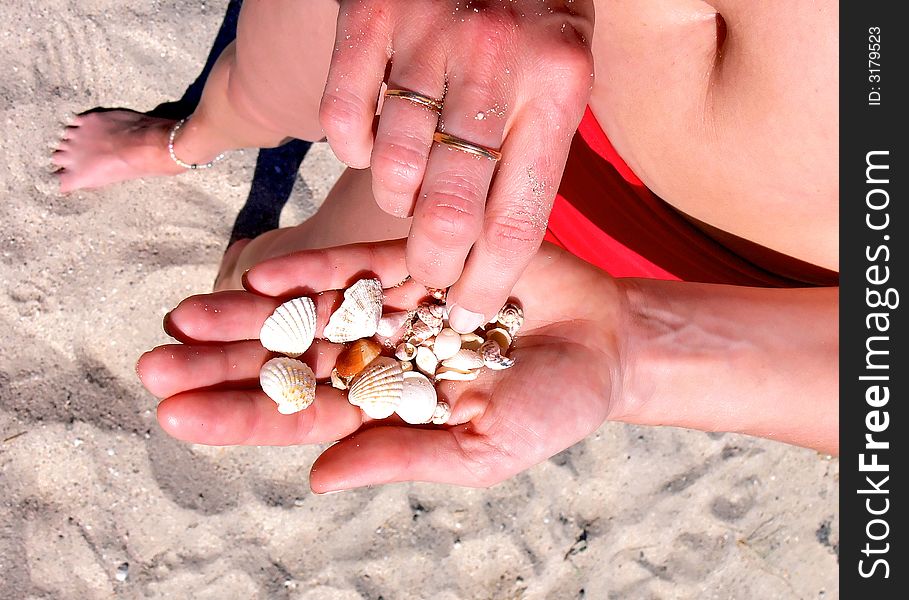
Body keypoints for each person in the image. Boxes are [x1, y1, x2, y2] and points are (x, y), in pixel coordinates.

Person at [73, 0, 838, 489]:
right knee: (266, 84)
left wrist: (635, 345)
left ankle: (245, 237)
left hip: (666, 249)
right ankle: (192, 136)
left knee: (271, 283)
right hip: (481, 22)